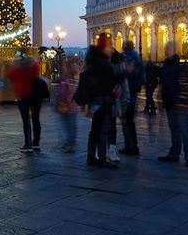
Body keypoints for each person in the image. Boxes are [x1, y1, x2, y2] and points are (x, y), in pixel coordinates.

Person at [158, 41, 188, 167]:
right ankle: (174, 153)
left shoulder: (181, 65)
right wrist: (160, 99)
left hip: (182, 102)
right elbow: (163, 83)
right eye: (165, 48)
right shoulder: (165, 65)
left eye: (168, 48)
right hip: (170, 102)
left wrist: (183, 98)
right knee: (174, 129)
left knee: (184, 128)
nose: (165, 50)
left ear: (175, 49)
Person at [84, 34, 119, 168]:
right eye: (109, 44)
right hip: (102, 100)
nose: (111, 48)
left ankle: (92, 156)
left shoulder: (94, 59)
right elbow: (110, 80)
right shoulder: (102, 62)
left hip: (96, 100)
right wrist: (120, 74)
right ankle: (100, 157)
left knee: (96, 129)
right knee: (102, 129)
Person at [8, 52, 41, 153]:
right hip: (35, 93)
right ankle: (36, 142)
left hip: (22, 94)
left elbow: (10, 77)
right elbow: (37, 74)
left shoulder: (15, 67)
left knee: (26, 120)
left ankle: (28, 144)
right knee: (35, 118)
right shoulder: (34, 65)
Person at [120, 41, 143, 155]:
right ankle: (134, 145)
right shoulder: (137, 58)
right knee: (131, 121)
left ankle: (129, 146)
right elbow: (143, 75)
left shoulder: (125, 58)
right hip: (134, 92)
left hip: (126, 94)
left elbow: (122, 75)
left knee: (125, 120)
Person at [54, 59, 79, 152]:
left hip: (66, 104)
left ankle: (70, 142)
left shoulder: (65, 79)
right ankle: (71, 142)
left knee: (67, 124)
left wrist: (60, 101)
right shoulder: (75, 78)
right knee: (71, 124)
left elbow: (62, 92)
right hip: (73, 105)